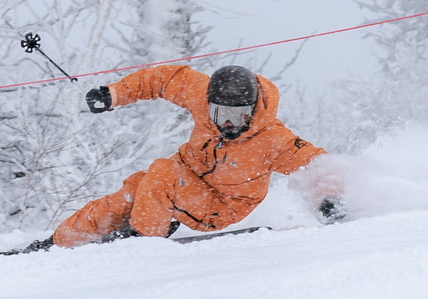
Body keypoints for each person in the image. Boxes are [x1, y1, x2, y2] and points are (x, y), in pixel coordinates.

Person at [27, 63, 344, 251]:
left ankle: (145, 239)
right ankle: (61, 242)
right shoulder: (201, 93)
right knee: (133, 190)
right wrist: (114, 94)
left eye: (240, 114)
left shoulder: (272, 138)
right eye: (221, 113)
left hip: (222, 206)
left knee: (162, 175)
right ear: (210, 103)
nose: (229, 122)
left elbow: (315, 164)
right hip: (185, 177)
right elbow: (162, 80)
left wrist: (331, 200)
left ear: (253, 109)